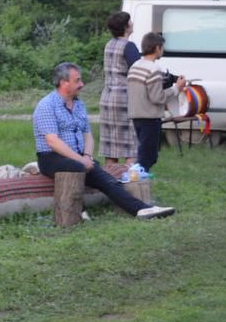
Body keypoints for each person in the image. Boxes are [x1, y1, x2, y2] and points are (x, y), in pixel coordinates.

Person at [32, 62, 175, 220]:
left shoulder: (79, 105)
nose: (82, 84)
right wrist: (81, 160)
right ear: (64, 82)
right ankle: (79, 211)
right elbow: (52, 141)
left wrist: (87, 156)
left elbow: (88, 134)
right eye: (77, 80)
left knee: (107, 180)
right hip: (51, 157)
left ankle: (141, 209)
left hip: (79, 157)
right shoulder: (46, 105)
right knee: (77, 167)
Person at [127, 32, 187, 175]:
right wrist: (176, 88)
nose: (163, 50)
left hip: (136, 115)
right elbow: (158, 98)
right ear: (157, 48)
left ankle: (139, 176)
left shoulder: (135, 65)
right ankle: (136, 179)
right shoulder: (153, 69)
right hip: (150, 117)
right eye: (162, 47)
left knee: (144, 151)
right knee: (149, 155)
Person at [99, 11, 141, 165]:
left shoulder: (109, 44)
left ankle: (111, 181)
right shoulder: (129, 46)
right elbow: (139, 70)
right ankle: (130, 182)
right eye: (130, 21)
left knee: (112, 146)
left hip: (107, 97)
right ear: (126, 26)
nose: (132, 23)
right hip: (124, 98)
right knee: (131, 145)